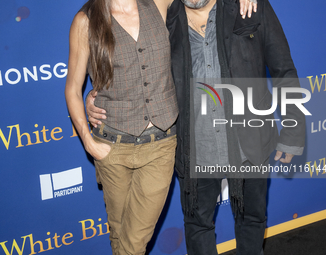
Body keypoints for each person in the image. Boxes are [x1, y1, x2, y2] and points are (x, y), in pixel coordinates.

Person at [65, 0, 257, 254]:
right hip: (112, 148)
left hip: (160, 146)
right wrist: (89, 143)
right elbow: (72, 88)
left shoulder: (158, 2)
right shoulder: (85, 21)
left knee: (134, 242)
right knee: (119, 232)